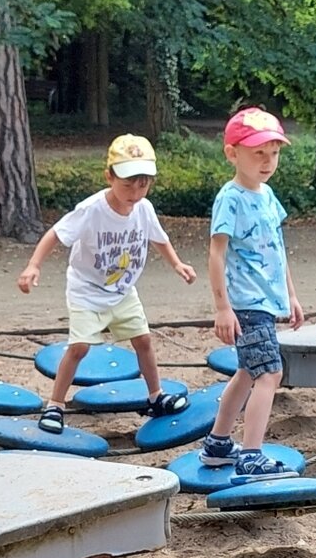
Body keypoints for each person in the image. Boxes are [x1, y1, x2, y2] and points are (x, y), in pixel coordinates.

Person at [17, 134, 197, 432]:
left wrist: (177, 264)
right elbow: (55, 234)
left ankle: (155, 396)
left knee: (143, 340)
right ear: (109, 177)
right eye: (127, 185)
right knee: (79, 348)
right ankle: (55, 405)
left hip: (123, 290)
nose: (135, 193)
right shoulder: (92, 209)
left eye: (143, 185)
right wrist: (33, 265)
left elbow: (159, 238)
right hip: (87, 290)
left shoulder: (144, 208)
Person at [198, 108, 305, 481]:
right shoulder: (230, 198)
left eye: (273, 153)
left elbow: (277, 248)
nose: (268, 161)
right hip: (246, 304)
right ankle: (251, 455)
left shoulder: (268, 195)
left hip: (265, 302)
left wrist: (291, 296)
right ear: (232, 153)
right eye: (258, 153)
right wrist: (222, 307)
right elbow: (216, 254)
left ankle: (218, 444)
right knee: (270, 373)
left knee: (248, 371)